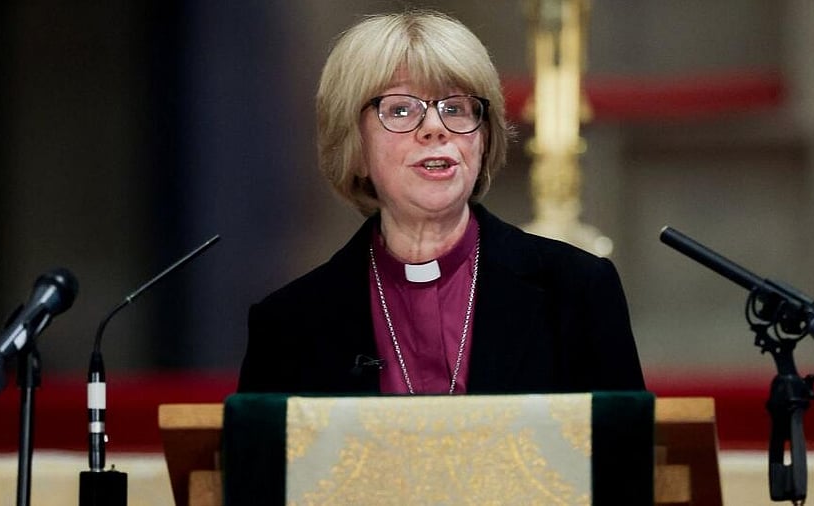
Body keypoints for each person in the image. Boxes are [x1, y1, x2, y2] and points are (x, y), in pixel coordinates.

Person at [237, 10, 645, 395]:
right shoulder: (290, 323)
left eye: (455, 108)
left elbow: (623, 459)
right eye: (400, 110)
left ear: (482, 139)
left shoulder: (578, 292)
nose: (435, 128)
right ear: (354, 147)